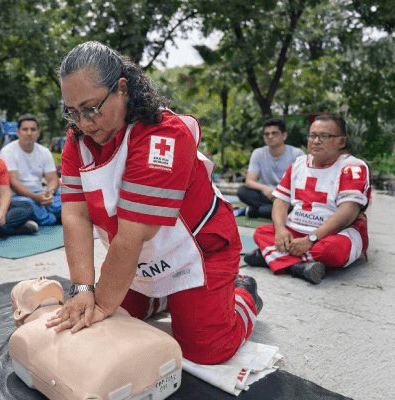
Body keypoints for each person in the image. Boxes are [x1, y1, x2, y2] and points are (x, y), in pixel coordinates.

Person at [44, 41, 262, 365]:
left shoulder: (162, 137)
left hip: (196, 251)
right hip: (138, 257)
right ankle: (165, 300)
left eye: (91, 108)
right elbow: (75, 215)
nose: (84, 123)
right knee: (110, 319)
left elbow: (132, 236)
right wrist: (82, 288)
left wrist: (101, 304)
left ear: (122, 89)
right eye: (72, 112)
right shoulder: (78, 141)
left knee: (206, 351)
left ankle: (244, 293)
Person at [243, 114, 372, 284]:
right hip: (297, 228)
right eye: (312, 135)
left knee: (335, 250)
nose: (316, 141)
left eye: (324, 136)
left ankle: (270, 256)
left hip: (334, 233)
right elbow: (280, 200)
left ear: (341, 142)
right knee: (261, 232)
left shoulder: (353, 167)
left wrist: (312, 239)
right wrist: (281, 229)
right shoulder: (298, 164)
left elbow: (349, 211)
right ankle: (299, 268)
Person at [0, 114, 62, 226]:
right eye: (25, 129)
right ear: (17, 132)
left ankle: (40, 217)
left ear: (38, 133)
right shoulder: (7, 151)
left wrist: (50, 192)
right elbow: (13, 183)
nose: (29, 133)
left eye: (33, 129)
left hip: (40, 194)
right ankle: (54, 217)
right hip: (19, 197)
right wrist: (35, 197)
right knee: (28, 206)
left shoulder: (44, 151)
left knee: (68, 195)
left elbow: (53, 179)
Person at [237, 118, 304, 218]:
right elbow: (249, 181)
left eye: (274, 133)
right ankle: (270, 211)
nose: (270, 136)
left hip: (287, 197)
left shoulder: (297, 154)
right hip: (266, 195)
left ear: (284, 135)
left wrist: (280, 193)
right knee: (242, 191)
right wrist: (267, 189)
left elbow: (303, 183)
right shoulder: (258, 153)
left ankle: (258, 210)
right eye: (266, 134)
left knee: (296, 206)